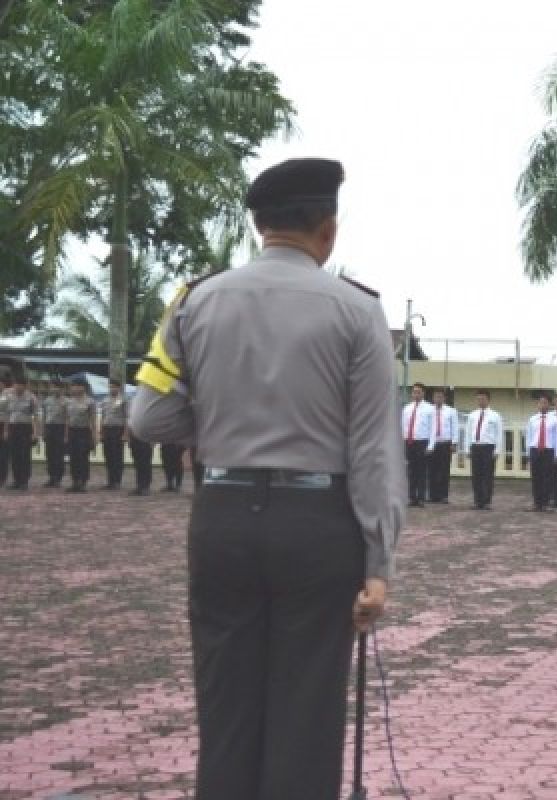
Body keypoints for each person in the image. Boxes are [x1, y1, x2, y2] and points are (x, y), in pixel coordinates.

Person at [128, 157, 404, 800]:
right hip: (316, 530)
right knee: (305, 720)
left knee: (225, 712)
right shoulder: (357, 312)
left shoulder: (196, 299)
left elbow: (147, 418)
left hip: (221, 517)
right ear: (327, 231)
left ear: (258, 224)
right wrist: (379, 562)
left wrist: (222, 422)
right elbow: (371, 451)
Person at [464, 389, 503, 510]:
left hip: (488, 447)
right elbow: (468, 432)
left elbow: (499, 434)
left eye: (483, 398)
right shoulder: (472, 415)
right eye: (478, 399)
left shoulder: (495, 415)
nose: (480, 401)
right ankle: (477, 501)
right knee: (476, 475)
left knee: (487, 475)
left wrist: (497, 450)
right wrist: (467, 449)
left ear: (488, 400)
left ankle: (486, 501)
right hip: (475, 446)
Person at [3, 374, 40, 490]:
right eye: (16, 385)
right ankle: (16, 480)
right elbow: (6, 414)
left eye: (20, 385)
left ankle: (24, 480)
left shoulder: (31, 398)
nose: (18, 387)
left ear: (25, 386)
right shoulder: (8, 396)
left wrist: (35, 433)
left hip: (26, 428)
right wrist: (5, 431)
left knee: (24, 455)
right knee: (14, 455)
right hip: (13, 428)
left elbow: (35, 416)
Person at [526, 392, 557, 511]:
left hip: (548, 451)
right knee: (536, 477)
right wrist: (528, 454)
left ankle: (545, 504)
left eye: (545, 403)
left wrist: (556, 454)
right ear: (537, 404)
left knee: (547, 478)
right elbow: (529, 437)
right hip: (535, 450)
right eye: (540, 402)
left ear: (549, 405)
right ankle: (537, 503)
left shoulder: (554, 420)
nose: (542, 405)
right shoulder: (532, 419)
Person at [401, 383, 434, 507]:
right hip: (409, 442)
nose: (416, 394)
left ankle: (420, 497)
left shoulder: (430, 408)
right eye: (414, 391)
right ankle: (411, 497)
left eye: (419, 391)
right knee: (410, 470)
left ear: (423, 393)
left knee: (421, 470)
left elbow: (433, 428)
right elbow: (402, 426)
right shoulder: (407, 408)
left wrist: (430, 445)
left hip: (422, 442)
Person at [64, 376, 96, 492]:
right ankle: (75, 481)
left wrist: (94, 436)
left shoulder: (90, 401)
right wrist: (66, 435)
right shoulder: (69, 401)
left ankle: (83, 481)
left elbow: (93, 419)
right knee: (73, 458)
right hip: (72, 431)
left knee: (83, 457)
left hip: (84, 431)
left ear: (83, 387)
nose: (75, 388)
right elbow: (67, 419)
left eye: (77, 386)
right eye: (73, 386)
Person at [426, 387, 458, 504]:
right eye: (436, 396)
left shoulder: (451, 411)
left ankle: (444, 495)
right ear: (433, 398)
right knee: (431, 470)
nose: (438, 399)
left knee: (444, 470)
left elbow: (454, 427)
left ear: (444, 398)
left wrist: (454, 443)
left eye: (440, 396)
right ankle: (432, 495)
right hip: (432, 444)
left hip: (445, 443)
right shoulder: (429, 411)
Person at [98, 378, 128, 489]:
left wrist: (125, 433)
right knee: (108, 456)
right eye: (110, 387)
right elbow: (103, 416)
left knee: (117, 456)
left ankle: (117, 481)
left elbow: (126, 417)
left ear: (119, 388)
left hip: (118, 429)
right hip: (107, 429)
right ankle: (110, 480)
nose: (112, 389)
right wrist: (101, 431)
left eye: (114, 387)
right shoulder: (105, 400)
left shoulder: (123, 400)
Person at [41, 378, 69, 488]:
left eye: (56, 387)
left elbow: (68, 418)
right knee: (49, 454)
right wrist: (43, 430)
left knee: (59, 454)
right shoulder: (47, 400)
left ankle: (58, 477)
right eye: (52, 387)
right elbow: (44, 416)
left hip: (60, 428)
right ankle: (51, 477)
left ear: (61, 388)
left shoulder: (66, 401)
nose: (54, 389)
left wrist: (66, 434)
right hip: (49, 428)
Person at [0, 374, 12, 487]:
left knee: (3, 453)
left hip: (4, 425)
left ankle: (2, 478)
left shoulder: (8, 395)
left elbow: (9, 413)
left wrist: (6, 430)